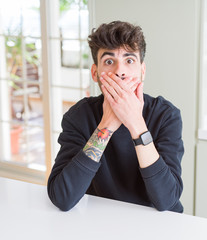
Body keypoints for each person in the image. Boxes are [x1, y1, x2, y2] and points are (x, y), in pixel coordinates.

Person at [47, 21, 184, 213]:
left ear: (142, 71)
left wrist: (136, 123)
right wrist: (107, 125)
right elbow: (62, 197)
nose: (120, 71)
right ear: (95, 73)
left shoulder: (166, 115)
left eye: (129, 60)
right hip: (103, 221)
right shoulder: (79, 116)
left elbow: (167, 200)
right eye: (109, 61)